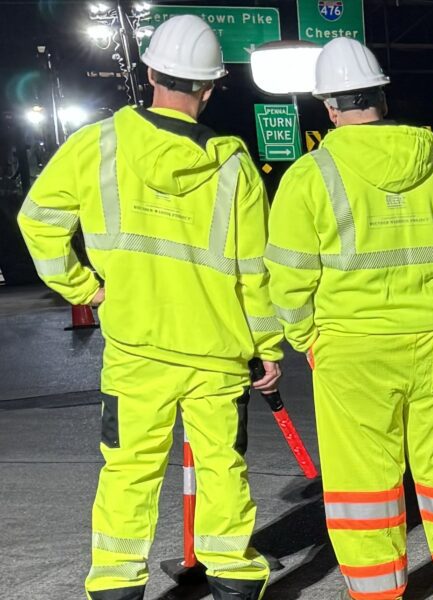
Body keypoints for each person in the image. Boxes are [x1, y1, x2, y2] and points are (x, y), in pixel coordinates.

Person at [18, 15, 282, 600]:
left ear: (150, 72)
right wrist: (266, 348)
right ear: (210, 88)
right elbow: (254, 272)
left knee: (128, 472)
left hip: (136, 349)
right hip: (217, 353)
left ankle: (116, 585)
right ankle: (234, 578)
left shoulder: (97, 144)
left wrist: (84, 287)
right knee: (222, 471)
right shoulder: (234, 165)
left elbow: (38, 221)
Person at [265, 37, 433, 600]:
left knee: (363, 476)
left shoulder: (310, 175)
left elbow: (289, 276)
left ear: (330, 107)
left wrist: (304, 337)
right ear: (383, 99)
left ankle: (378, 588)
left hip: (352, 346)